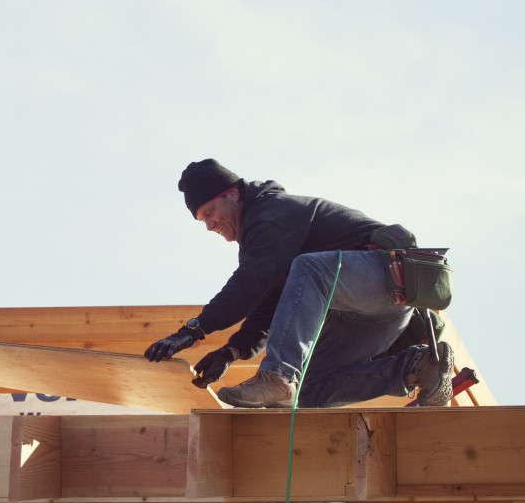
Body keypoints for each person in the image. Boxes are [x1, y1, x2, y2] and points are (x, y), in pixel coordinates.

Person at [144, 159, 452, 409]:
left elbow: (252, 281)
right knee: (306, 389)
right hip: (368, 313)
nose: (210, 226)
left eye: (210, 212)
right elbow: (270, 304)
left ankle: (277, 377)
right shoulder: (265, 244)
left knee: (309, 268)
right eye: (202, 220)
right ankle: (418, 367)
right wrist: (231, 352)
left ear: (234, 194)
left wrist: (194, 329)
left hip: (385, 279)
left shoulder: (271, 213)